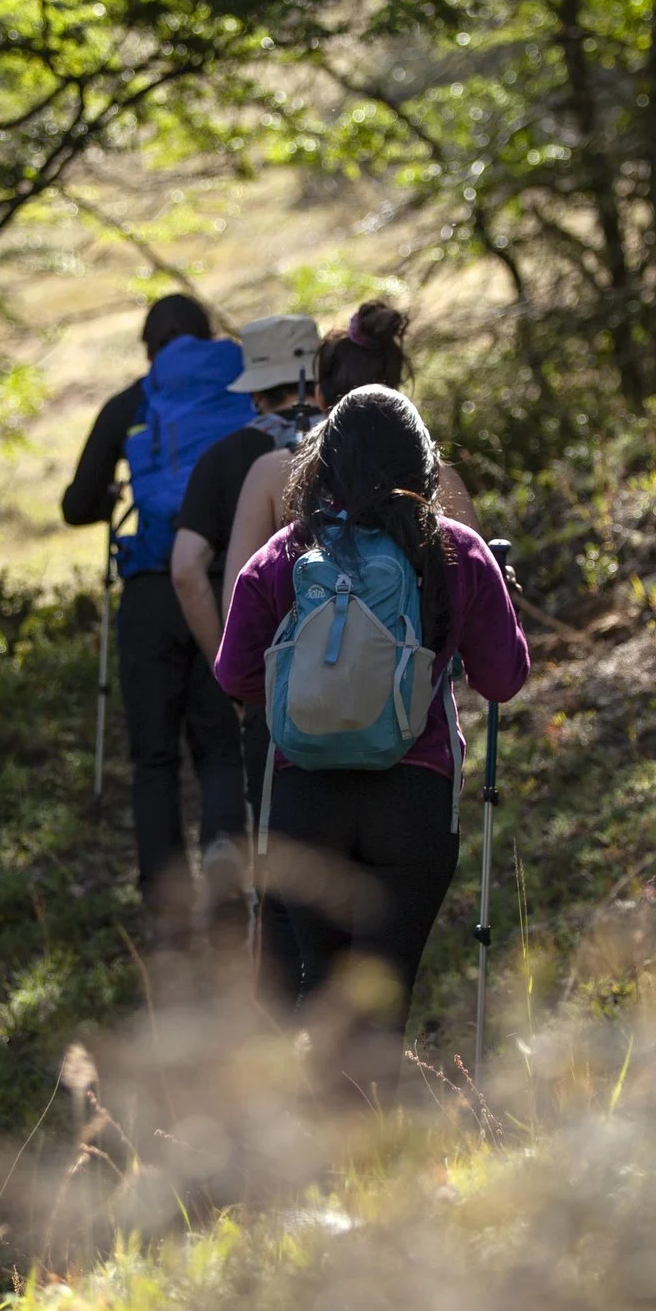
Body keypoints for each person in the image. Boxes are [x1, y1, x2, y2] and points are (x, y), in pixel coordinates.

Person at [213, 386, 529, 1095]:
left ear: (322, 463)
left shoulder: (284, 554)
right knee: (382, 998)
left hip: (305, 796)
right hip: (413, 798)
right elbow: (503, 679)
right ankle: (371, 1174)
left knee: (319, 994)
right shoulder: (456, 551)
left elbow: (234, 674)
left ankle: (320, 1164)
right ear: (425, 467)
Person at [61, 293, 252, 940]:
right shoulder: (244, 383)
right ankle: (226, 860)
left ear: (151, 348)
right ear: (206, 334)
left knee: (154, 756)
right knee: (222, 742)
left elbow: (76, 504)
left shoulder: (133, 403)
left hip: (150, 585)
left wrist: (118, 491)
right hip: (224, 577)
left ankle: (166, 904)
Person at [167, 313, 323, 979]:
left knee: (281, 852)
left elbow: (186, 566)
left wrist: (232, 672)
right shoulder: (366, 442)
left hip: (275, 689)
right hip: (379, 686)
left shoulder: (227, 459)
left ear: (254, 388)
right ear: (313, 373)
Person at [218, 300, 475, 617]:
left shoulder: (273, 472)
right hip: (421, 663)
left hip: (307, 665)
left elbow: (238, 603)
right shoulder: (440, 476)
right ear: (397, 392)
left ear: (319, 395)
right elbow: (475, 591)